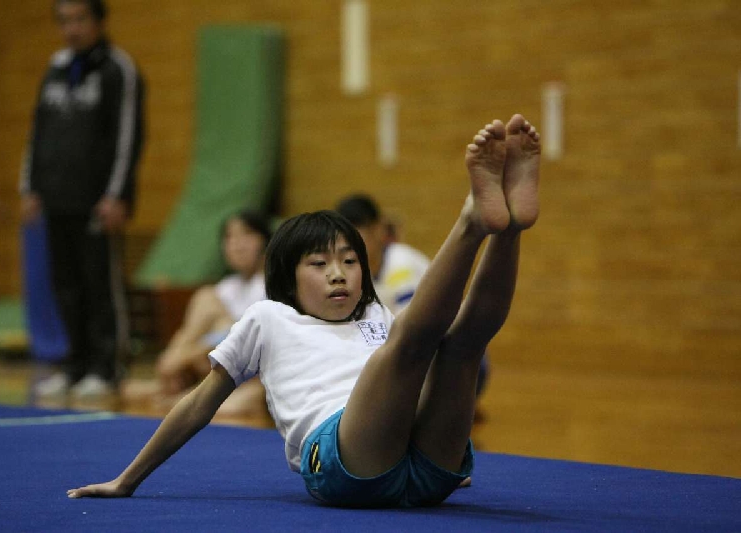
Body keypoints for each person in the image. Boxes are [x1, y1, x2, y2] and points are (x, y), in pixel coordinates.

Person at [68, 113, 540, 508]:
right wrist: (128, 478)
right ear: (287, 279)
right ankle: (471, 222)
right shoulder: (269, 318)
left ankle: (509, 228)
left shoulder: (375, 315)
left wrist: (442, 434)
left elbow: (426, 375)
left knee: (461, 348)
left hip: (427, 470)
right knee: (409, 348)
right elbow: (199, 403)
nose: (339, 274)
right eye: (319, 264)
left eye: (351, 262)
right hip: (342, 462)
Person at [21, 0, 145, 399]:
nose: (71, 29)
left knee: (99, 284)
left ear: (98, 21)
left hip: (97, 202)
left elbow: (128, 137)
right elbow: (37, 132)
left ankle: (105, 366)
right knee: (65, 284)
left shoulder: (117, 69)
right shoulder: (54, 69)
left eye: (79, 20)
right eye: (64, 21)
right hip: (56, 199)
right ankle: (74, 363)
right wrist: (31, 187)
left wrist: (116, 194)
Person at [336, 193, 491, 401]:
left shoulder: (401, 264)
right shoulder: (355, 275)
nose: (352, 250)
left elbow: (413, 332)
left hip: (456, 358)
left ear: (378, 230)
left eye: (358, 240)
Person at [128, 210, 271, 415]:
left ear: (264, 241)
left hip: (253, 368)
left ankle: (179, 383)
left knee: (213, 312)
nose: (238, 244)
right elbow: (200, 331)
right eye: (230, 237)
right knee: (205, 298)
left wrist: (188, 355)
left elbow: (249, 337)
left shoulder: (272, 285)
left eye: (246, 235)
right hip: (218, 363)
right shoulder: (226, 287)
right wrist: (187, 353)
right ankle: (174, 376)